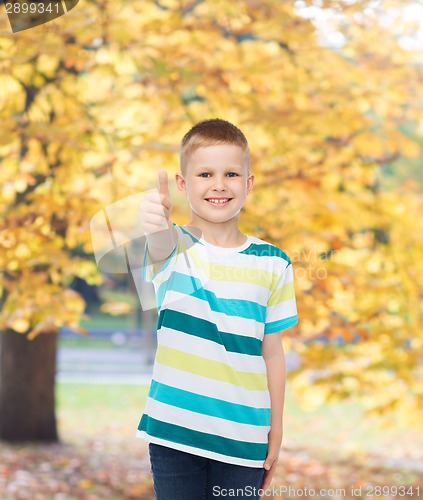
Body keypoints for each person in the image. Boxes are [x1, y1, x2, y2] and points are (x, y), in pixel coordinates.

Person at [137, 118, 298, 500]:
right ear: (182, 184)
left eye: (231, 174)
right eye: (205, 174)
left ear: (249, 183)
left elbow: (272, 354)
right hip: (174, 432)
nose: (219, 185)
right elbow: (158, 245)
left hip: (245, 437)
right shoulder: (173, 247)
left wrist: (276, 428)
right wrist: (155, 225)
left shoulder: (274, 262)